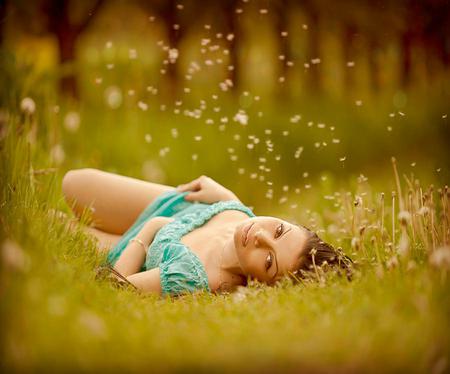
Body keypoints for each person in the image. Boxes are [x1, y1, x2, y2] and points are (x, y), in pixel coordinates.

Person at [62, 168, 351, 297]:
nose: (260, 238)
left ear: (261, 284)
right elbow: (247, 217)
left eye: (268, 261)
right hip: (171, 209)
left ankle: (100, 234)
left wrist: (150, 229)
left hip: (133, 249)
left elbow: (117, 287)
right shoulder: (241, 218)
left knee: (55, 225)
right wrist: (228, 197)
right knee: (73, 183)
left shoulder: (195, 275)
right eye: (278, 229)